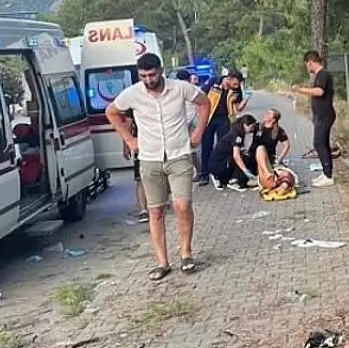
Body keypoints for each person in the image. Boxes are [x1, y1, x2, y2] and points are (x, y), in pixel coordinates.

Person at [106, 53, 210, 280]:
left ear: (160, 70)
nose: (148, 80)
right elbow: (111, 111)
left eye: (152, 74)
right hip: (150, 158)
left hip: (179, 154)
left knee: (182, 205)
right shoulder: (133, 93)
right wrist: (129, 140)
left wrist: (198, 132)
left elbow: (204, 103)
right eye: (143, 76)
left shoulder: (180, 88)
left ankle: (186, 253)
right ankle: (162, 262)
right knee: (155, 210)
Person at [291, 51, 336, 188]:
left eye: (307, 65)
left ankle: (328, 176)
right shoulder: (318, 75)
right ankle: (326, 173)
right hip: (320, 115)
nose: (307, 68)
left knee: (319, 143)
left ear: (311, 62)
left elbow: (319, 91)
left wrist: (300, 89)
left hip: (325, 115)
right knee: (323, 144)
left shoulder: (323, 75)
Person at [197, 69, 249, 183]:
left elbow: (237, 108)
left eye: (238, 84)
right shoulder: (214, 82)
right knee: (206, 147)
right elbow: (200, 95)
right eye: (234, 84)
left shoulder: (236, 90)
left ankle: (221, 173)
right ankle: (204, 174)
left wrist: (245, 100)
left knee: (223, 148)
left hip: (225, 120)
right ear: (228, 79)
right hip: (209, 118)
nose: (236, 86)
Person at [207, 114, 259, 191]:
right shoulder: (237, 136)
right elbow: (236, 156)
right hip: (220, 164)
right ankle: (233, 181)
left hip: (218, 161)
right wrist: (245, 170)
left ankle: (223, 178)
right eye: (251, 127)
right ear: (245, 125)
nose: (252, 129)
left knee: (246, 156)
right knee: (242, 159)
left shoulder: (236, 131)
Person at [121, 109, 149, 223]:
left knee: (143, 178)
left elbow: (127, 126)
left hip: (149, 143)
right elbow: (127, 126)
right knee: (141, 178)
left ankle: (146, 209)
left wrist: (126, 145)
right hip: (141, 145)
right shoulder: (133, 103)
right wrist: (126, 145)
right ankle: (143, 209)